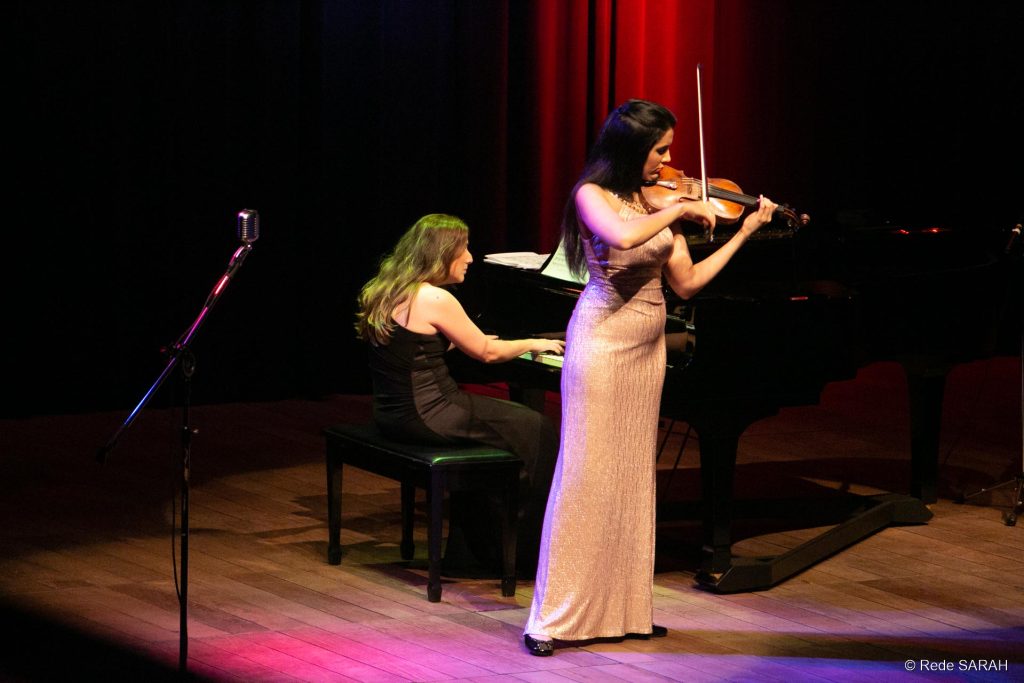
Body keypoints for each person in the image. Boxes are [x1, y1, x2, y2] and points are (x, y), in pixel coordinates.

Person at [522, 100, 778, 656]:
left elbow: (685, 284)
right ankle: (550, 620)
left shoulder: (654, 201)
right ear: (633, 148)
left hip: (647, 350)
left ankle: (626, 611)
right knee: (586, 475)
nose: (668, 161)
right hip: (603, 344)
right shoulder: (592, 195)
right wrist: (682, 206)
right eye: (660, 149)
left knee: (633, 477)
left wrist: (743, 233)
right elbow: (621, 237)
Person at [355, 213, 565, 577]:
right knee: (539, 430)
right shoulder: (435, 297)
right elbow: (487, 353)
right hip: (433, 412)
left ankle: (470, 550)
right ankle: (520, 554)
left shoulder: (385, 288)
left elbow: (411, 349)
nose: (469, 257)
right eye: (463, 248)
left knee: (505, 432)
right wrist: (533, 343)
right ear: (441, 254)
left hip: (393, 414)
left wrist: (470, 341)